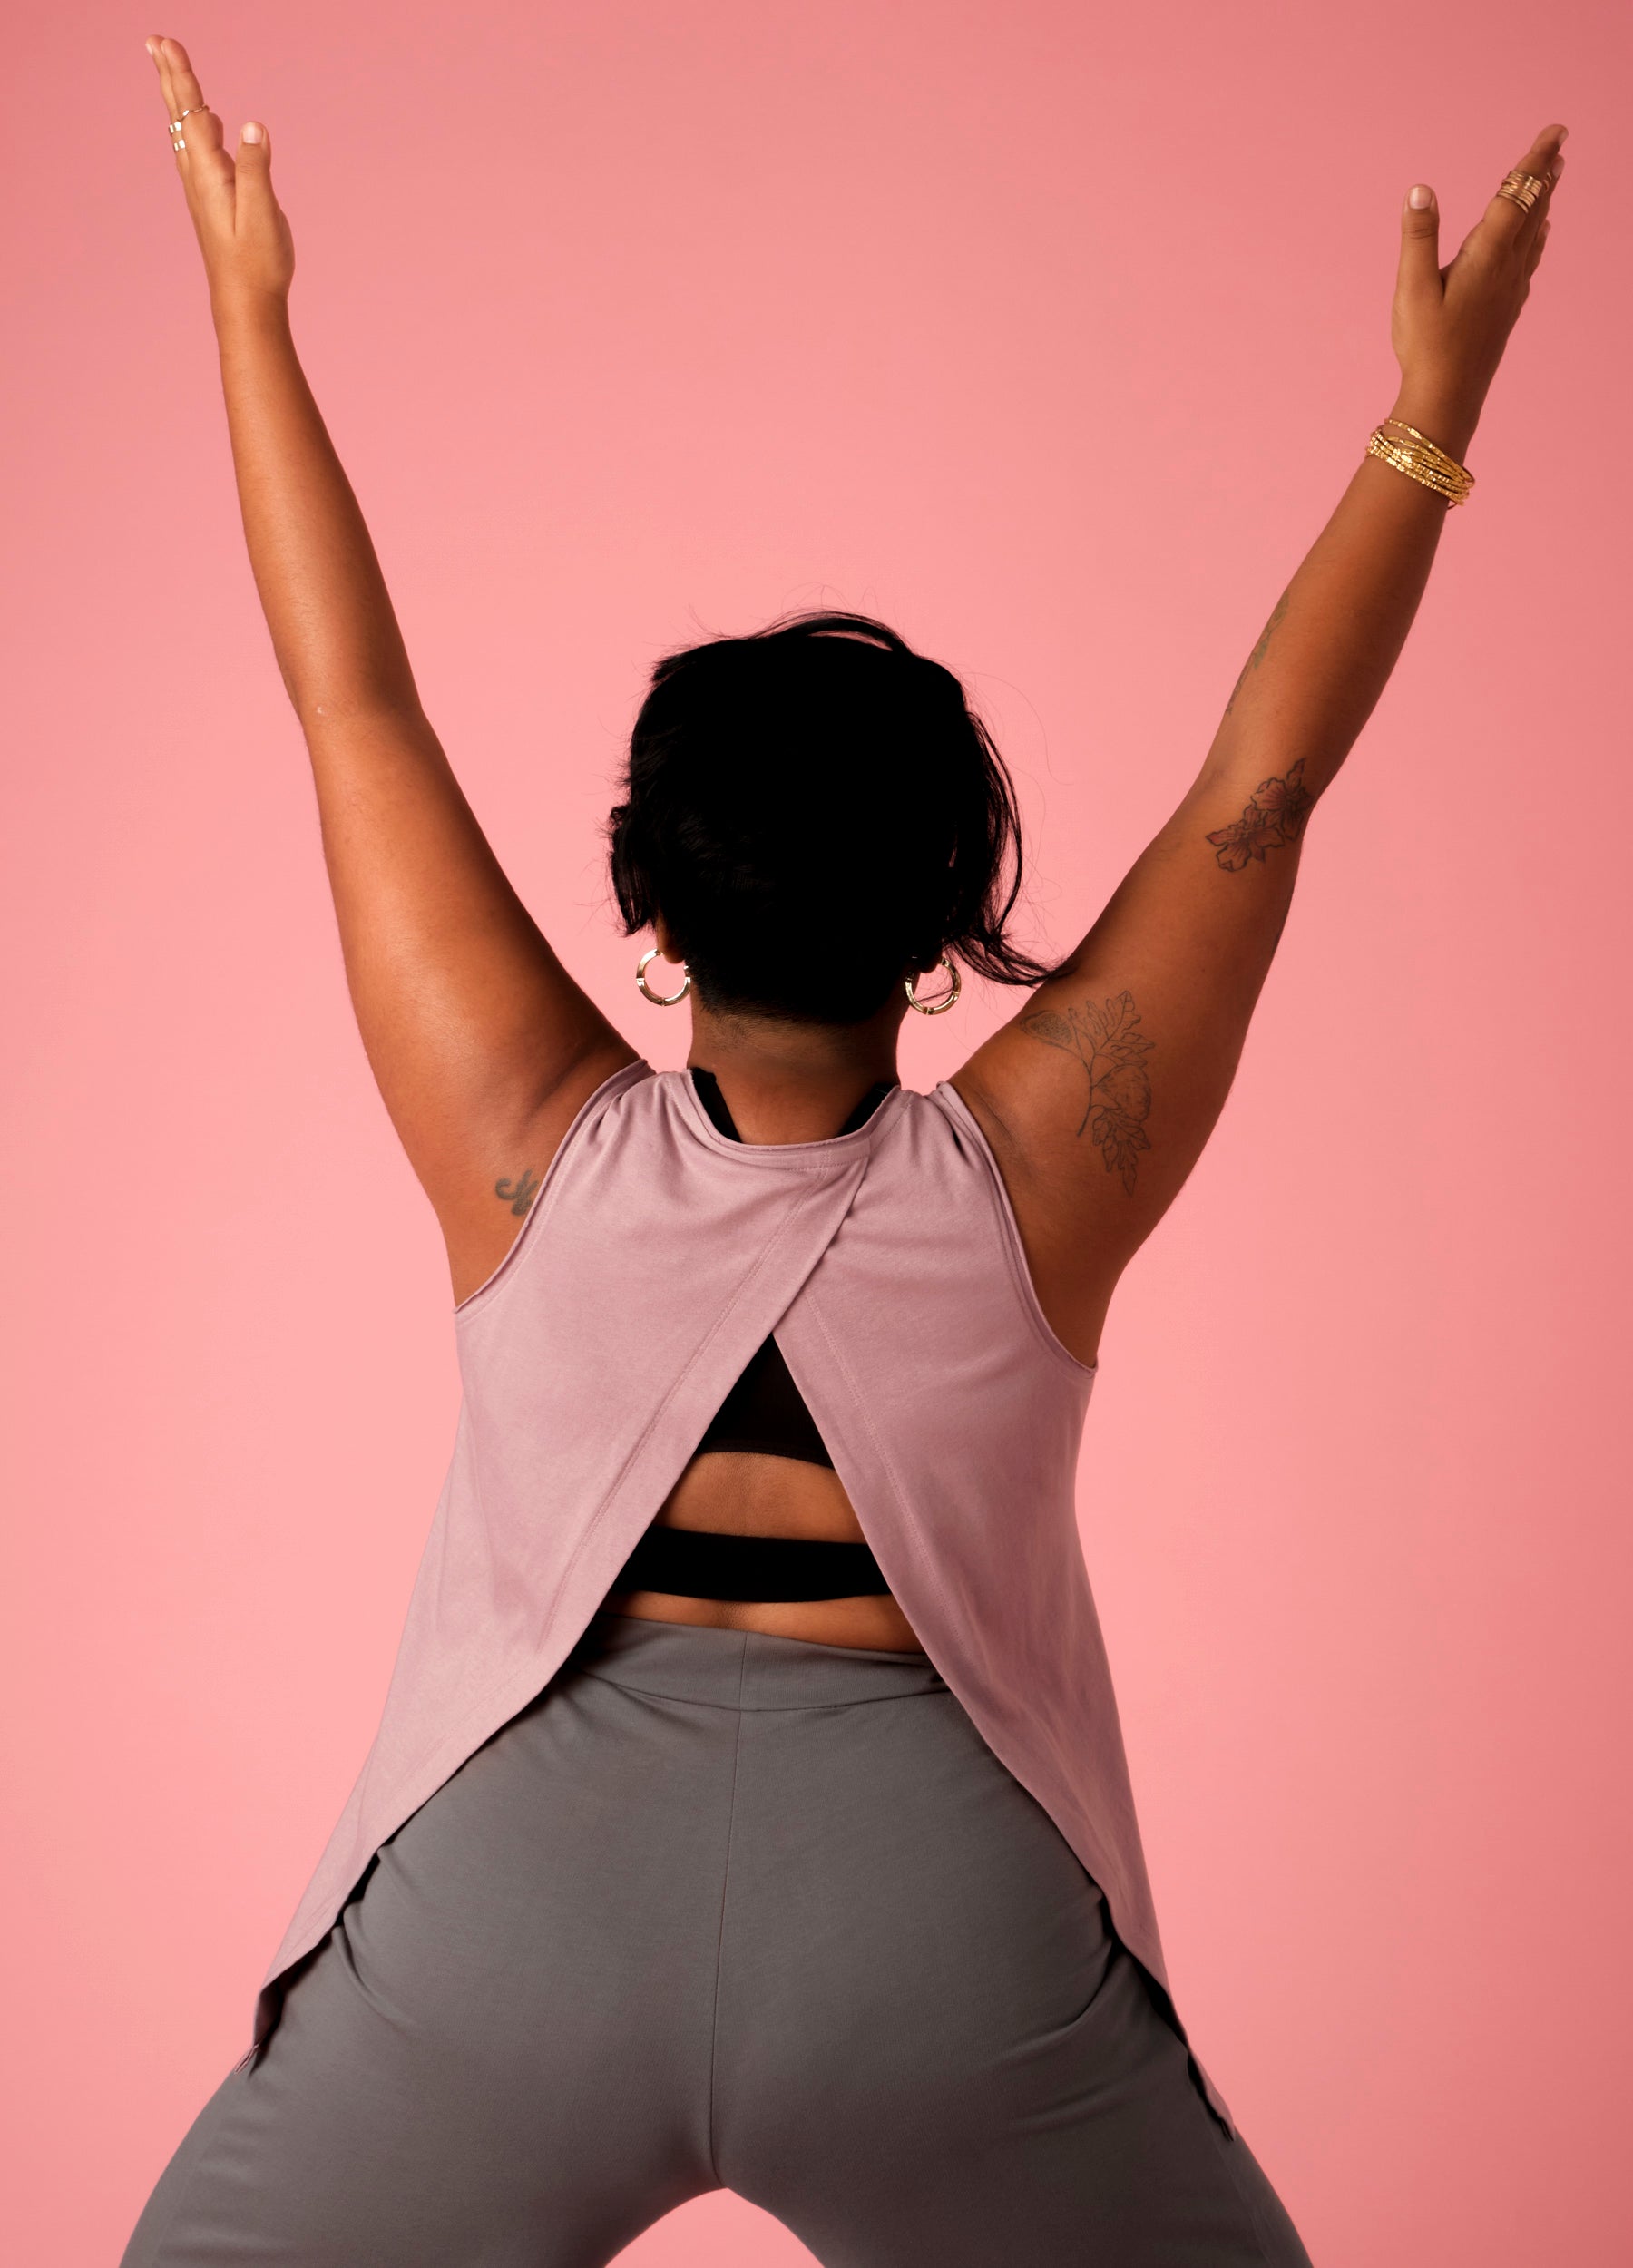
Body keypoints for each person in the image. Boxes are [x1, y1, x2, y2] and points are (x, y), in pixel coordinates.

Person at [122, 33, 1564, 2268]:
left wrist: (247, 310)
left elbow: (355, 706)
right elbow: (1263, 784)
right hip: (944, 1940)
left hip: (511, 1926)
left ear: (650, 898)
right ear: (945, 922)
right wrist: (1428, 412)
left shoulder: (526, 1142)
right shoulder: (1039, 1181)